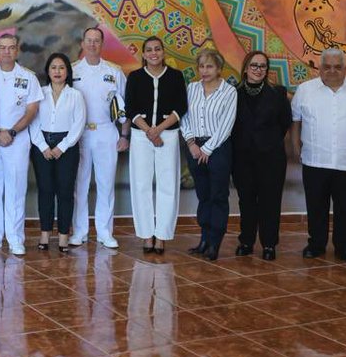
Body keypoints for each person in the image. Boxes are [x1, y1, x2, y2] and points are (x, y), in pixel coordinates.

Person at [291, 48, 346, 263]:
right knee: (316, 206)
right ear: (319, 68)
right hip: (315, 160)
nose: (332, 71)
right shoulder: (305, 90)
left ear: (345, 68)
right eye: (327, 66)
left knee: (345, 208)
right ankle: (316, 244)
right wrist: (295, 147)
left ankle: (344, 246)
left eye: (338, 67)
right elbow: (296, 120)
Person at [124, 37, 188, 255]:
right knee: (141, 185)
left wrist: (159, 129)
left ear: (163, 52)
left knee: (167, 185)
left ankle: (162, 235)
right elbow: (130, 108)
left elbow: (181, 107)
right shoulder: (135, 77)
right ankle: (146, 234)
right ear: (143, 54)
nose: (153, 53)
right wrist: (149, 131)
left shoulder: (175, 76)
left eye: (157, 49)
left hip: (167, 135)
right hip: (141, 136)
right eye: (149, 50)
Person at [0, 34, 42, 255]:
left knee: (16, 190)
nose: (6, 52)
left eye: (11, 48)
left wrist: (12, 131)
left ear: (17, 51)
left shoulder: (28, 77)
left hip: (18, 139)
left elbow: (32, 110)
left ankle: (16, 238)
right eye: (2, 48)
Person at [70, 26, 128, 248]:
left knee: (105, 184)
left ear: (102, 44)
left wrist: (124, 135)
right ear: (82, 43)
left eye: (96, 41)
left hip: (106, 132)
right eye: (88, 40)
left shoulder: (114, 71)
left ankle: (105, 232)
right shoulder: (73, 71)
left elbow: (125, 107)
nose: (92, 44)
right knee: (80, 184)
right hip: (80, 133)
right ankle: (80, 231)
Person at [231, 50, 292, 260]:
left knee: (270, 201)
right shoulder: (233, 93)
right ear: (246, 68)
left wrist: (268, 141)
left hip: (271, 157)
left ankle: (268, 244)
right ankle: (246, 241)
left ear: (267, 70)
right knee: (246, 201)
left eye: (263, 66)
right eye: (254, 65)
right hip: (242, 158)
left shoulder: (278, 93)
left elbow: (285, 123)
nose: (258, 70)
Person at [180, 48, 237, 260]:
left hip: (218, 148)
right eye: (201, 66)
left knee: (218, 196)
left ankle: (215, 242)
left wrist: (208, 149)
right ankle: (203, 239)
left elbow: (227, 124)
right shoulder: (191, 88)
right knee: (203, 195)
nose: (204, 70)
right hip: (194, 148)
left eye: (209, 66)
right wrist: (192, 143)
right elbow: (183, 117)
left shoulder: (229, 92)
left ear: (219, 69)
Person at [29, 52, 85, 253]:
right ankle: (45, 234)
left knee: (65, 192)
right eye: (53, 67)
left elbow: (79, 124)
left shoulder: (75, 95)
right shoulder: (39, 93)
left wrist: (62, 147)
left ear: (67, 71)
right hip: (41, 145)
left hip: (67, 147)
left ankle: (63, 236)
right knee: (45, 190)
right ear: (48, 71)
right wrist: (43, 146)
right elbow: (32, 120)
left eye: (61, 67)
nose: (57, 71)